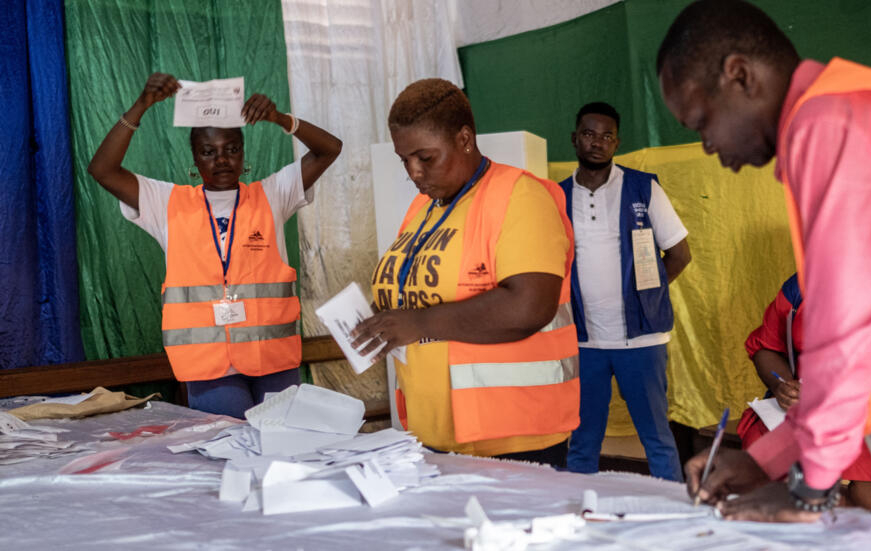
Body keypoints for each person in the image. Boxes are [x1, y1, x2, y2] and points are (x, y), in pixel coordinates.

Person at [657, 0, 871, 532]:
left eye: (701, 121)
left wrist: (809, 488)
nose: (708, 144)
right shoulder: (852, 112)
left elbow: (842, 331)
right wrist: (765, 461)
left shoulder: (829, 126)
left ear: (740, 75)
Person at [350, 78, 579, 467]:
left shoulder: (521, 197)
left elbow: (529, 306)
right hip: (430, 431)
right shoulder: (423, 210)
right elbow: (418, 292)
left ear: (465, 139)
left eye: (425, 157)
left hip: (512, 436)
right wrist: (382, 321)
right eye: (404, 160)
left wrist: (417, 322)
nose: (414, 173)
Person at [87, 72, 342, 418]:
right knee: (229, 452)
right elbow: (102, 169)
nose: (221, 159)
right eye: (208, 152)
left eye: (231, 150)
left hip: (273, 358)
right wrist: (141, 106)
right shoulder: (166, 203)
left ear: (243, 153)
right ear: (194, 159)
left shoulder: (272, 195)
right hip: (209, 367)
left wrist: (280, 119)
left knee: (281, 451)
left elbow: (330, 149)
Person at [558, 102, 691, 480]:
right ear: (574, 139)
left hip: (643, 340)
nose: (597, 143)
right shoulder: (557, 196)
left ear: (617, 143)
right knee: (583, 439)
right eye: (589, 134)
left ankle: (674, 520)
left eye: (606, 136)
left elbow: (680, 253)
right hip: (584, 342)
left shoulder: (642, 187)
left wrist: (646, 298)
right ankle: (577, 521)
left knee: (656, 438)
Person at [737, 274, 871, 513]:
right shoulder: (799, 289)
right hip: (807, 407)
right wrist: (783, 386)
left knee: (869, 492)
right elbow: (766, 348)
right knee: (762, 450)